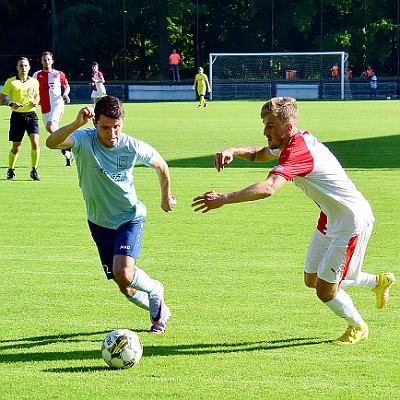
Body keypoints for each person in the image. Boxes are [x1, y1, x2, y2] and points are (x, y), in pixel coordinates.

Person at [192, 97, 395, 345]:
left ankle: (358, 326)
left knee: (325, 290)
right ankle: (378, 281)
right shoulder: (291, 141)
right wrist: (231, 150)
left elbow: (268, 188)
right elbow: (260, 154)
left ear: (287, 128)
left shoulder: (298, 151)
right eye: (264, 124)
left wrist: (223, 198)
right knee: (311, 278)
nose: (265, 131)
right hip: (330, 217)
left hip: (350, 223)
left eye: (270, 125)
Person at [46, 95, 176, 334]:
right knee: (124, 286)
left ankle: (155, 288)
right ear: (95, 123)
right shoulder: (83, 140)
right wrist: (76, 123)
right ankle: (159, 311)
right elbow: (51, 143)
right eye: (105, 127)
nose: (112, 133)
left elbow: (162, 165)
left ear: (123, 122)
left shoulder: (132, 146)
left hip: (129, 218)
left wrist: (165, 197)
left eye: (116, 126)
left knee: (123, 272)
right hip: (99, 223)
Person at [0, 57, 41, 181]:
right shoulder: (11, 82)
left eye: (25, 66)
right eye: (21, 66)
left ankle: (34, 170)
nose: (23, 68)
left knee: (35, 142)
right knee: (16, 147)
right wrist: (11, 103)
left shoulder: (34, 82)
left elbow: (37, 95)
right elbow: (1, 98)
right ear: (17, 67)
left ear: (29, 68)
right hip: (17, 117)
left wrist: (36, 101)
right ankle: (10, 170)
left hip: (31, 115)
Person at [33, 51, 73, 166]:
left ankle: (69, 143)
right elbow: (33, 90)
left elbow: (66, 86)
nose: (47, 61)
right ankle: (67, 154)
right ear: (41, 61)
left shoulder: (58, 74)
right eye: (44, 59)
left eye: (48, 59)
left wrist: (65, 94)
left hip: (57, 104)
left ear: (52, 61)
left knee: (50, 126)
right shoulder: (36, 75)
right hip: (45, 108)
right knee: (54, 135)